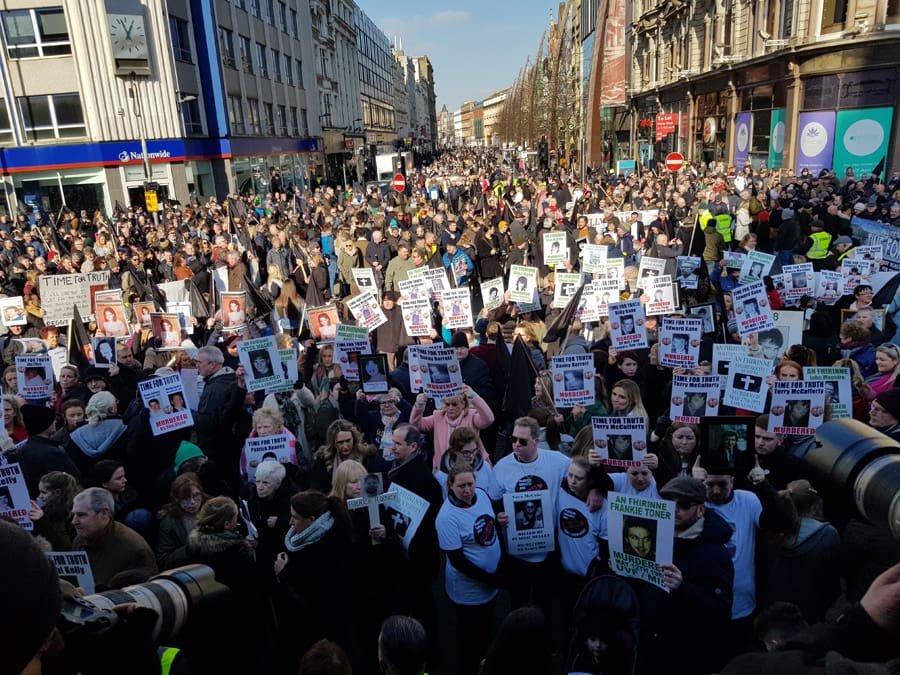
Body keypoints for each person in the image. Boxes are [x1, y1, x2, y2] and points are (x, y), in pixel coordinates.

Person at [494, 416, 570, 616]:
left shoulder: (557, 461)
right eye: (513, 439)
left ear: (536, 442)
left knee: (544, 604)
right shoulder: (501, 466)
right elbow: (493, 501)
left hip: (547, 551)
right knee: (517, 605)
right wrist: (498, 515)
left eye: (522, 441)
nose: (516, 445)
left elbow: (581, 475)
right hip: (516, 551)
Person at [273, 491, 355, 671]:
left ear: (311, 520)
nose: (290, 522)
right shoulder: (310, 537)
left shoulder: (329, 548)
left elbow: (311, 598)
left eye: (295, 518)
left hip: (319, 633)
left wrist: (284, 573)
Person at [436, 461, 502, 675]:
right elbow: (458, 561)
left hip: (491, 584)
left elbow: (492, 528)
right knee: (469, 639)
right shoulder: (446, 517)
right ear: (450, 487)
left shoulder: (482, 495)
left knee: (487, 630)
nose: (467, 490)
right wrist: (491, 579)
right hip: (468, 592)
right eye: (461, 486)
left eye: (470, 484)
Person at [71, 486, 158, 589]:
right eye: (74, 515)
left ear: (104, 513)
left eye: (81, 515)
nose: (74, 521)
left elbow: (149, 591)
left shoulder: (134, 549)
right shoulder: (80, 539)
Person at [410, 384, 494, 472]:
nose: (450, 408)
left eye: (454, 404)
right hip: (444, 469)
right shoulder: (438, 416)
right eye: (447, 404)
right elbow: (416, 425)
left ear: (463, 404)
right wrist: (419, 406)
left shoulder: (471, 416)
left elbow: (489, 419)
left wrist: (474, 397)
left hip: (471, 467)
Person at [9, 403, 80, 495]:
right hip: (53, 501)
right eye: (52, 420)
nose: (55, 422)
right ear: (45, 424)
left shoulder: (21, 450)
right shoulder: (53, 453)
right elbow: (73, 478)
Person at [156, 471, 207, 569]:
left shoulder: (214, 509)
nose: (192, 502)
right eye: (185, 498)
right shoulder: (169, 522)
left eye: (196, 496)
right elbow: (164, 560)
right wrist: (188, 549)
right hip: (190, 570)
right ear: (176, 499)